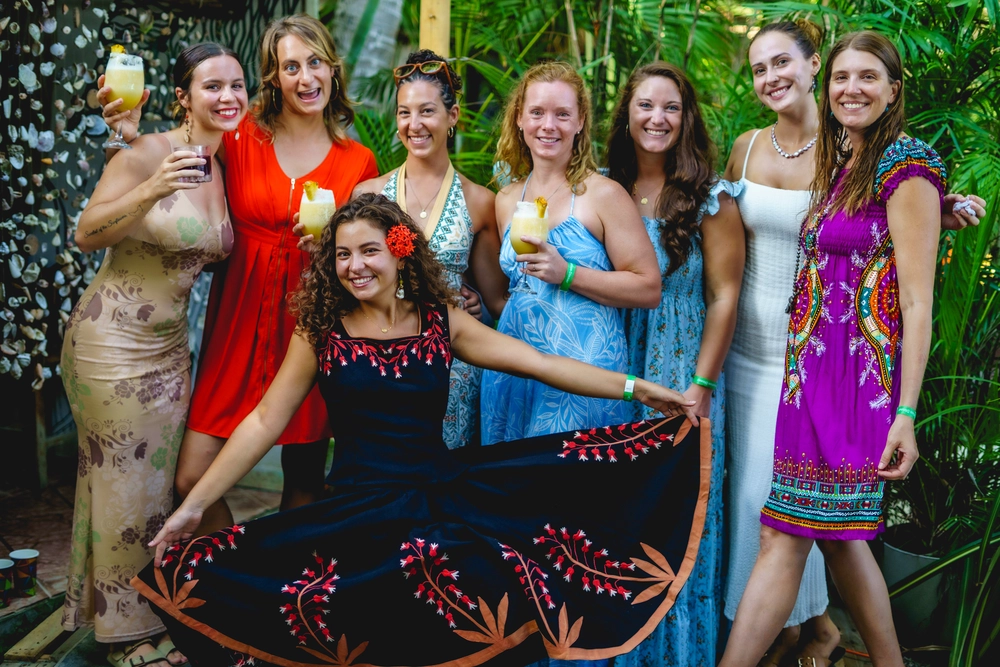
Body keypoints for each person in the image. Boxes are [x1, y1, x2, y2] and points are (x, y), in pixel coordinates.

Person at [131, 194, 710, 666]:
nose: (354, 265)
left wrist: (636, 386)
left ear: (399, 252)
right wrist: (195, 505)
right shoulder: (321, 332)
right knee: (237, 584)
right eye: (341, 255)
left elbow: (542, 363)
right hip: (356, 508)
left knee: (481, 581)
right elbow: (263, 421)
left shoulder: (441, 323)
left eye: (368, 251)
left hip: (440, 499)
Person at [721, 21, 987, 665]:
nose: (850, 88)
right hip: (806, 378)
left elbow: (918, 304)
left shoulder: (909, 164)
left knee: (783, 534)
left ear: (894, 90)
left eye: (868, 76)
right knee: (835, 538)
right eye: (842, 76)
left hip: (857, 386)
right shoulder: (844, 162)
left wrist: (907, 414)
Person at [103, 14, 379, 529]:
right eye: (290, 66)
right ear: (274, 78)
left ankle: (281, 591)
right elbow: (171, 159)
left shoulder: (358, 161)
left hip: (310, 328)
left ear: (332, 69)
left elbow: (369, 250)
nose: (305, 77)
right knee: (192, 475)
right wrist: (125, 139)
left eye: (315, 62)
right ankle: (242, 567)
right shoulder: (241, 138)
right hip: (235, 326)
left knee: (303, 481)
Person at [63, 43, 246, 667]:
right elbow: (87, 232)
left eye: (237, 86)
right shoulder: (148, 152)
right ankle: (127, 638)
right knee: (123, 488)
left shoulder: (223, 164)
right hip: (111, 342)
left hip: (170, 350)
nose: (228, 97)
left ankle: (143, 611)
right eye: (212, 86)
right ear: (183, 97)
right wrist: (152, 185)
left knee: (149, 490)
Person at [605, 62, 744, 666]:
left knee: (680, 517)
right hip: (613, 368)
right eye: (645, 106)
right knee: (616, 511)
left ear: (686, 118)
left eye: (671, 108)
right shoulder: (602, 187)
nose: (657, 119)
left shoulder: (710, 197)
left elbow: (724, 295)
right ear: (626, 115)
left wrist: (703, 383)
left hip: (680, 362)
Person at [480, 61, 661, 444]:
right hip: (514, 367)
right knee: (511, 489)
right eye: (537, 112)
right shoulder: (507, 198)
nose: (549, 125)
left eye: (563, 114)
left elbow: (648, 288)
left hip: (585, 372)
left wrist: (568, 273)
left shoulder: (602, 195)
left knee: (573, 494)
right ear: (519, 119)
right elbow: (509, 293)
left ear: (580, 122)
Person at [352, 49, 507, 449]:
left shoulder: (479, 201)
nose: (414, 124)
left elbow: (495, 301)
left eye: (427, 111)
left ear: (452, 116)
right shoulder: (368, 195)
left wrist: (474, 303)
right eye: (404, 113)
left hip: (451, 370)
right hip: (379, 357)